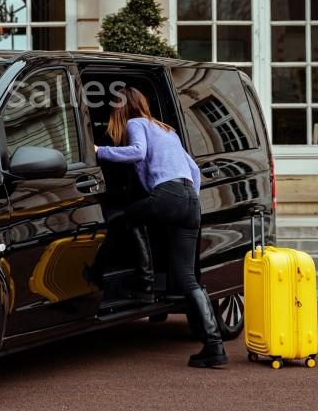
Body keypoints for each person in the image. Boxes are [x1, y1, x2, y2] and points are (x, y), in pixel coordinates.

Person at [94, 86, 227, 369]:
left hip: (168, 194)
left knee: (123, 218)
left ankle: (143, 285)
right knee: (187, 277)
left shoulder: (135, 123)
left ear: (122, 107)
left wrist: (99, 150)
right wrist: (188, 198)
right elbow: (193, 169)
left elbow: (137, 153)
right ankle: (214, 346)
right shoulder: (167, 130)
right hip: (190, 200)